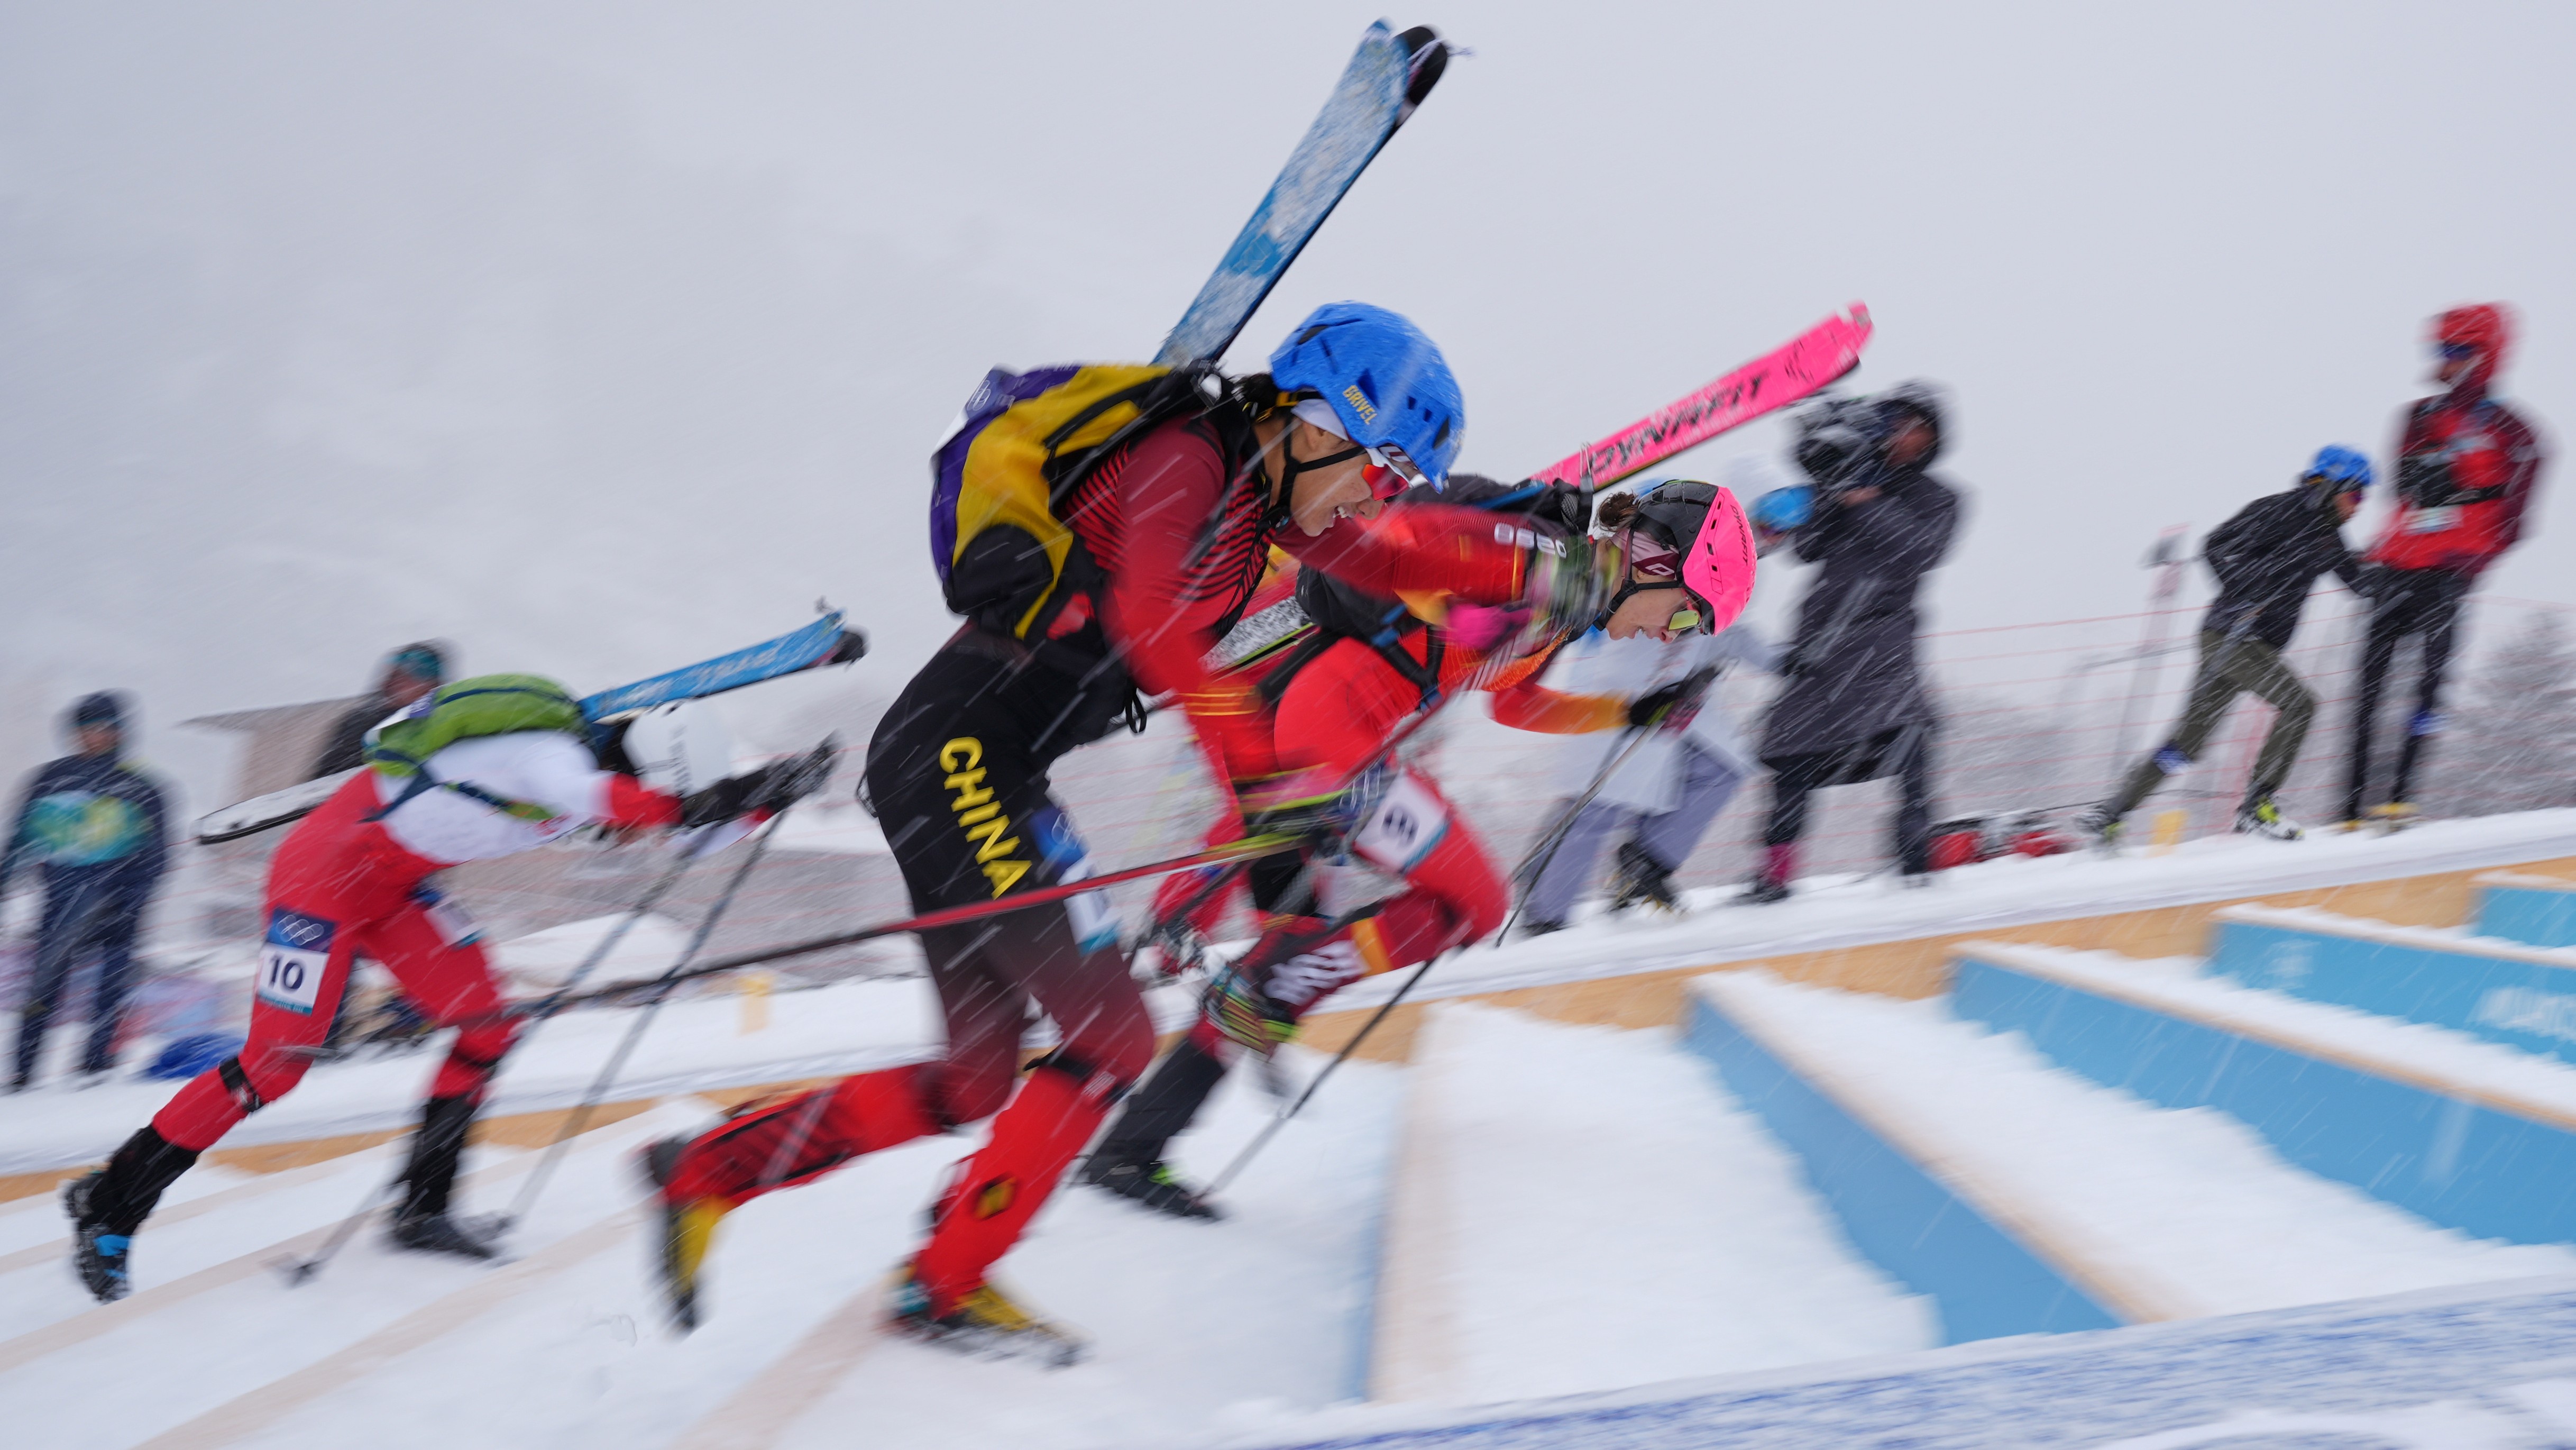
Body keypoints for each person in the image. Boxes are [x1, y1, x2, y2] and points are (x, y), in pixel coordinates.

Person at [640, 303, 1573, 1362]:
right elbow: (1152, 618)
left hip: (979, 766)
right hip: (958, 756)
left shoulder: (1276, 509)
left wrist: (1547, 570)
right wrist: (1261, 767)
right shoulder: (1191, 456)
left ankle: (705, 1171)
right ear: (1317, 422)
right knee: (1111, 1035)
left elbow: (1396, 558)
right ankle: (944, 1283)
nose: (1380, 492)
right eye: (1383, 466)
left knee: (977, 1078)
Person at [1082, 477, 1755, 1219]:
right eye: (1685, 613)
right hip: (1324, 737)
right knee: (1478, 902)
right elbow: (1395, 545)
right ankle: (1268, 979)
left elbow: (1513, 702)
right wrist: (1476, 602)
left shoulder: (1567, 604)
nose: (1671, 635)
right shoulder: (1543, 559)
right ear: (1657, 560)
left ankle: (1132, 1147)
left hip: (1328, 742)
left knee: (1292, 950)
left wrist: (1628, 711)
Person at [61, 676, 811, 1301]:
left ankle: (423, 1209)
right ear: (645, 770)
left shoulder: (613, 791)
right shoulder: (549, 757)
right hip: (319, 881)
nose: (639, 839)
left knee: (489, 1026)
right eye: (657, 805)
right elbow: (605, 800)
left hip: (392, 891)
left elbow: (684, 830)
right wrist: (693, 803)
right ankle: (110, 1200)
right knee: (275, 1064)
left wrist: (769, 792)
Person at [2083, 448, 2375, 846]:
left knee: (2187, 744)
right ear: (2330, 485)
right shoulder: (2278, 511)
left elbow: (2360, 582)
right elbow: (2216, 546)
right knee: (2299, 704)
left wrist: (2402, 568)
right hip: (2231, 636)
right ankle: (2257, 806)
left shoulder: (2328, 538)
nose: (2359, 506)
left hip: (2253, 646)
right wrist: (2254, 587)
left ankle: (2112, 812)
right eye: (2356, 495)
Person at [1743, 382, 1962, 903]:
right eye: (1894, 421)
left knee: (1908, 745)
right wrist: (1831, 487)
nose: (1900, 433)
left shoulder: (1939, 497)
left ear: (1931, 437)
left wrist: (1867, 499)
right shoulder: (1852, 472)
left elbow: (1917, 553)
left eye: (1913, 425)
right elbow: (1806, 547)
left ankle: (1914, 863)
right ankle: (1773, 877)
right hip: (1820, 637)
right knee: (1791, 756)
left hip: (1882, 638)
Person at [2342, 304, 2550, 830]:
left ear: (2485, 356)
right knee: (2367, 685)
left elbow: (2514, 519)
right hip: (2393, 569)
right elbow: (2402, 491)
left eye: (2457, 351)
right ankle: (2349, 805)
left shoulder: (2512, 430)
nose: (2445, 361)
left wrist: (2471, 554)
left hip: (2445, 576)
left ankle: (2399, 798)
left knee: (2428, 685)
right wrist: (2376, 556)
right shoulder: (2416, 416)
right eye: (2441, 351)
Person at [1516, 613, 1775, 932]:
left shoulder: (1712, 611)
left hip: (1671, 712)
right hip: (1623, 701)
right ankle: (1546, 913)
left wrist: (1788, 660)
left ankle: (1646, 861)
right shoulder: (1646, 611)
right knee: (1596, 810)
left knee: (1721, 770)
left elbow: (1732, 634)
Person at [2, 692, 171, 1091]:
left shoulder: (142, 786)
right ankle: (22, 1074)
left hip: (119, 908)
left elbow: (157, 855)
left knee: (110, 993)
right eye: (87, 728)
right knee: (42, 990)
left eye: (105, 728)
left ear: (121, 731)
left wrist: (133, 900)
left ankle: (96, 1072)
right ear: (74, 733)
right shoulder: (49, 780)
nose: (96, 736)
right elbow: (20, 842)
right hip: (62, 906)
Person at [311, 642, 448, 779]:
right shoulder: (361, 720)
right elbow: (325, 777)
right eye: (395, 675)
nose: (398, 682)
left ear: (432, 685)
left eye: (410, 676)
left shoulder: (439, 724)